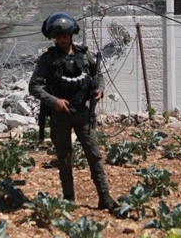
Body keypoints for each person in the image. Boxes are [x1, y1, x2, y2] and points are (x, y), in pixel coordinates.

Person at [29, 12, 118, 211]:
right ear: (53, 37)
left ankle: (105, 198)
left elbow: (98, 75)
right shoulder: (47, 59)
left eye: (66, 35)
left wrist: (99, 90)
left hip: (82, 113)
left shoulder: (84, 56)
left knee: (94, 155)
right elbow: (34, 86)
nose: (62, 39)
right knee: (64, 157)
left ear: (72, 35)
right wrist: (54, 101)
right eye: (59, 36)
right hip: (60, 114)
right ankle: (69, 199)